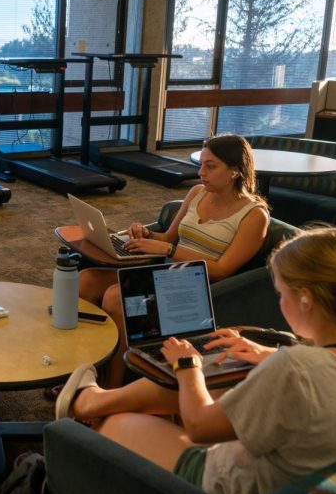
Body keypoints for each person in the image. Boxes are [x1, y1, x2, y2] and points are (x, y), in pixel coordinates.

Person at [56, 227, 336, 494]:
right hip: (319, 460)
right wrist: (272, 354)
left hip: (236, 484)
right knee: (215, 384)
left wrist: (187, 365)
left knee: (118, 422)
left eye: (281, 294)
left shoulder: (299, 370)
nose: (279, 304)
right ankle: (95, 398)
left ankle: (88, 407)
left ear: (307, 299)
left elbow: (199, 426)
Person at [79, 134, 270, 386]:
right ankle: (82, 366)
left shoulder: (254, 216)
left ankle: (110, 385)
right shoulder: (197, 192)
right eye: (201, 164)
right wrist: (146, 234)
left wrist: (168, 249)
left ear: (235, 170)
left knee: (116, 296)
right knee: (86, 280)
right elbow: (170, 236)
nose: (201, 172)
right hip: (164, 273)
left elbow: (222, 270)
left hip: (196, 287)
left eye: (210, 166)